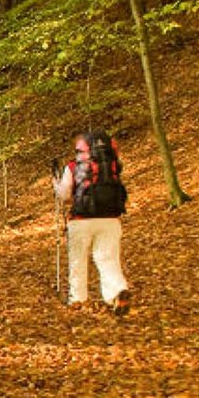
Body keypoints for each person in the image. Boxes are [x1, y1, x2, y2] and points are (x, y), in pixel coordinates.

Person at [53, 130, 132, 314]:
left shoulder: (73, 167)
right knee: (108, 259)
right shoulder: (111, 165)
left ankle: (78, 300)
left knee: (78, 260)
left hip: (81, 221)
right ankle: (117, 292)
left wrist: (56, 184)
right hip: (111, 219)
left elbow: (65, 195)